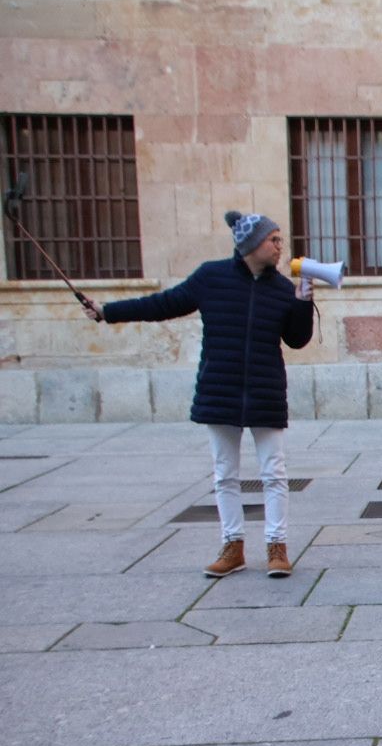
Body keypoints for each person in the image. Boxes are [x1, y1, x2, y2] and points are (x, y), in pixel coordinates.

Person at [81, 211, 314, 579]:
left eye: (280, 240)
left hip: (265, 392)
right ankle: (233, 546)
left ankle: (277, 547)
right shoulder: (211, 277)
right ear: (252, 245)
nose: (280, 246)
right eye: (274, 240)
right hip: (220, 389)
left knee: (274, 472)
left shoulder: (284, 289)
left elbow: (297, 340)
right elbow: (162, 304)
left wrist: (302, 301)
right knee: (225, 474)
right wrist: (107, 312)